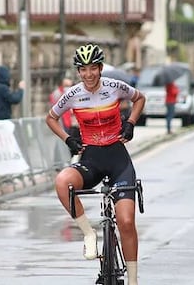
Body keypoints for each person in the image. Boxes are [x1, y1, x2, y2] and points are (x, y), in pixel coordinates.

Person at [45, 44, 146, 285]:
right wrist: (68, 138)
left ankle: (133, 280)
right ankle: (89, 234)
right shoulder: (72, 94)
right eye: (83, 69)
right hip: (91, 159)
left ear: (100, 69)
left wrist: (131, 122)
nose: (88, 74)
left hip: (117, 159)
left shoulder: (115, 87)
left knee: (126, 221)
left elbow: (139, 98)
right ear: (78, 71)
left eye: (93, 68)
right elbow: (51, 118)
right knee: (62, 182)